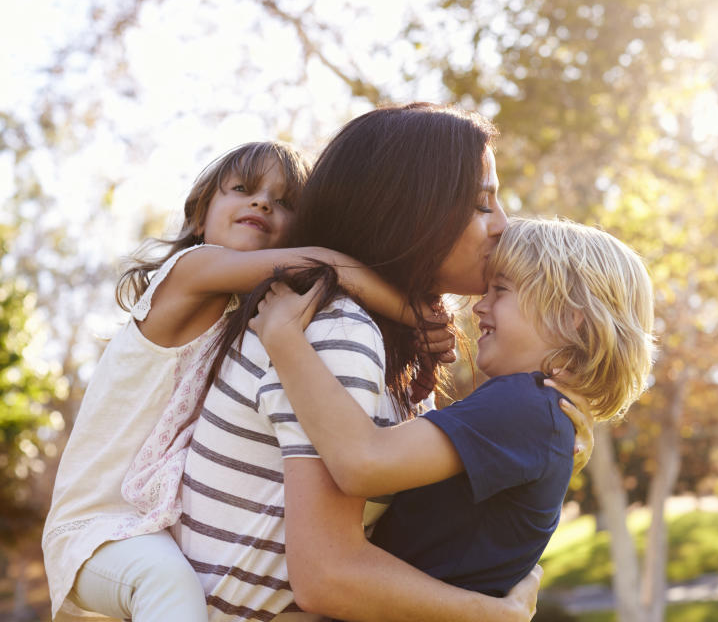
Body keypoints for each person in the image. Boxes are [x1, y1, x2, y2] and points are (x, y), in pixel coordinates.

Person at [177, 103, 574, 621]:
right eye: (482, 204)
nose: (503, 225)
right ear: (411, 211)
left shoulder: (387, 347)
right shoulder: (337, 332)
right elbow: (328, 577)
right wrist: (492, 615)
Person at [41, 141, 435, 622]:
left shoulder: (250, 315)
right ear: (200, 218)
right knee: (167, 586)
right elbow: (322, 266)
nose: (263, 203)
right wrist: (416, 319)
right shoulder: (190, 271)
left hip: (154, 524)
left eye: (284, 201)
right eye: (243, 189)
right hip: (96, 528)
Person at [252, 216, 656, 597]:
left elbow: (363, 461)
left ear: (571, 320)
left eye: (502, 290)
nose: (480, 306)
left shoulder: (524, 405)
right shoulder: (540, 414)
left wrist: (284, 338)